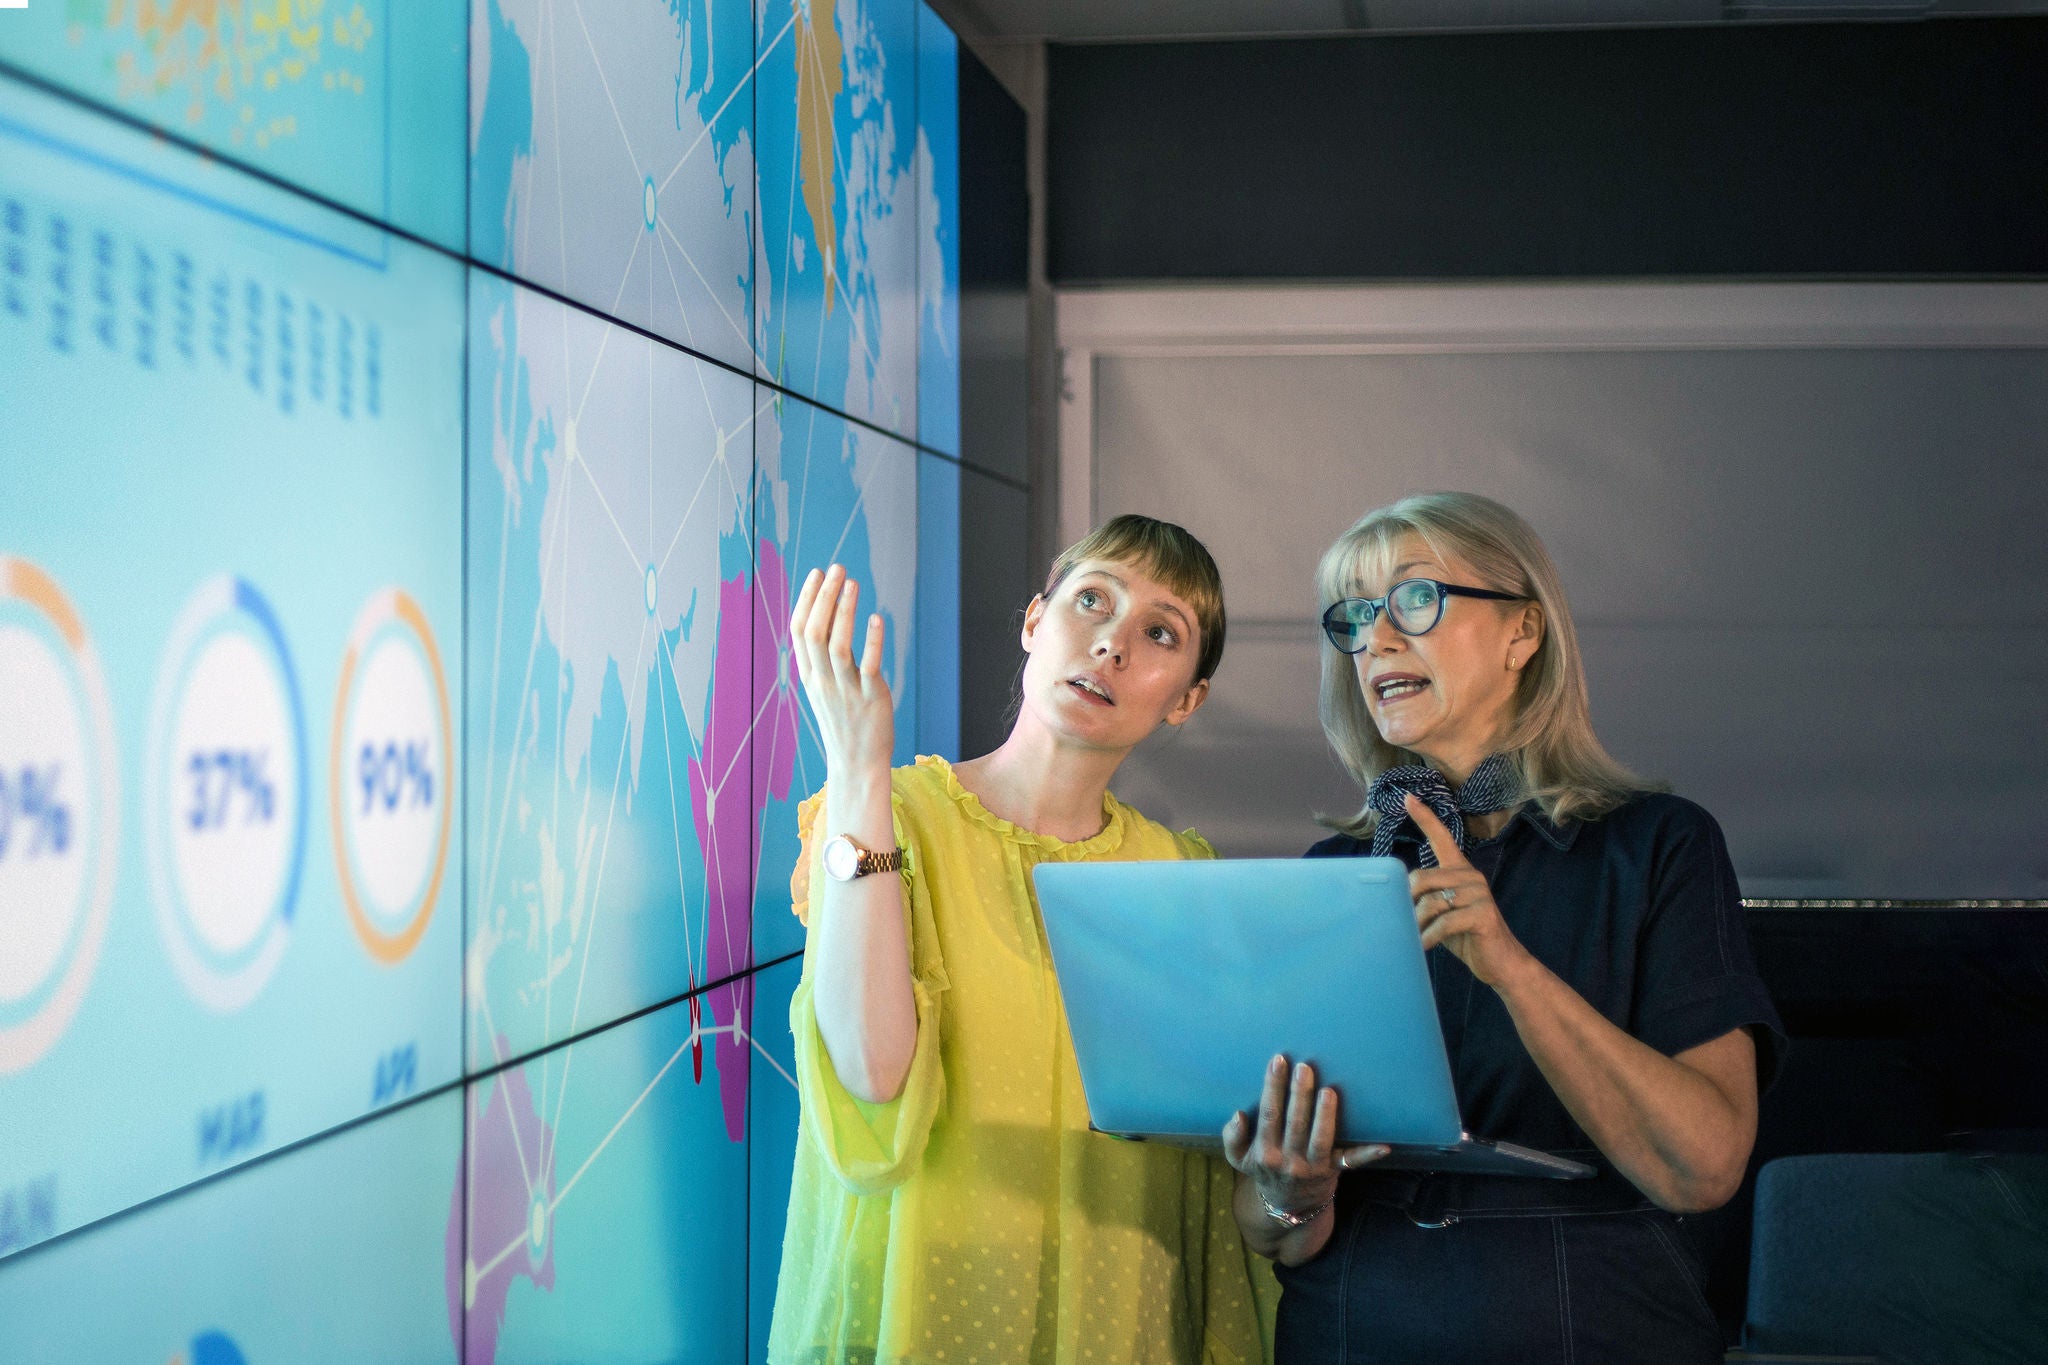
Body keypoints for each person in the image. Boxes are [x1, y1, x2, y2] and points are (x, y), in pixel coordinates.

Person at [1222, 491, 1784, 1364]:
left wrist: (1511, 966)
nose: (1376, 638)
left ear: (1524, 633)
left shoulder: (1660, 845)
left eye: (1415, 598)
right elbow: (1274, 1233)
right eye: (1357, 614)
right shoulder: (1333, 873)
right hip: (1350, 1325)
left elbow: (1704, 1167)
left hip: (1588, 1326)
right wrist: (1289, 1187)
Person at [768, 516, 1277, 1365]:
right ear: (1036, 621)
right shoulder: (887, 816)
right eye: (1092, 601)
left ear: (1187, 698)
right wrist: (857, 772)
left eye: (1160, 632)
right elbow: (871, 1074)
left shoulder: (1182, 877)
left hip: (1120, 1315)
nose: (1113, 643)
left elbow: (1217, 1167)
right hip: (920, 1312)